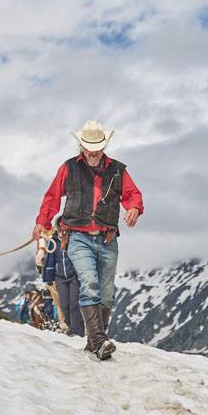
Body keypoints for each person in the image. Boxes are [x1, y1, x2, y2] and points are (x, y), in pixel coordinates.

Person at [33, 120, 143, 360]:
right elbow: (52, 197)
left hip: (107, 239)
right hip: (77, 237)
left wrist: (134, 208)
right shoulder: (68, 168)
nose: (93, 153)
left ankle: (94, 342)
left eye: (98, 148)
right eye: (89, 148)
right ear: (81, 146)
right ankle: (100, 340)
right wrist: (43, 221)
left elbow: (133, 194)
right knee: (90, 283)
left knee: (106, 292)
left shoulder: (118, 170)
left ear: (104, 146)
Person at [41, 218, 85, 337]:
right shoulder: (53, 242)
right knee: (64, 305)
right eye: (61, 228)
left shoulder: (74, 240)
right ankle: (71, 327)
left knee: (74, 304)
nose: (63, 231)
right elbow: (50, 260)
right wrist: (48, 278)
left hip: (74, 277)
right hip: (60, 277)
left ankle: (78, 332)